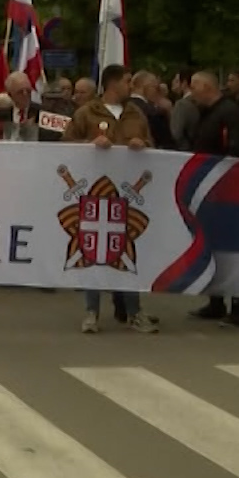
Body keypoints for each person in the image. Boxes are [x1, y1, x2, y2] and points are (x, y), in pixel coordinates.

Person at [63, 64, 157, 335]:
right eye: (128, 81)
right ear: (113, 83)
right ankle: (92, 312)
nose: (131, 85)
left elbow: (153, 146)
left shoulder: (135, 113)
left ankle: (134, 311)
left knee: (126, 252)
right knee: (94, 251)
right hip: (94, 194)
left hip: (127, 196)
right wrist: (89, 146)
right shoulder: (87, 113)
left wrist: (143, 145)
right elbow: (65, 145)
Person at [184, 71, 239, 327]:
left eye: (194, 87)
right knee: (212, 247)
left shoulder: (231, 114)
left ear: (207, 87)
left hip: (230, 194)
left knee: (232, 250)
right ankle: (215, 300)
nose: (191, 93)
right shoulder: (207, 114)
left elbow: (237, 152)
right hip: (210, 193)